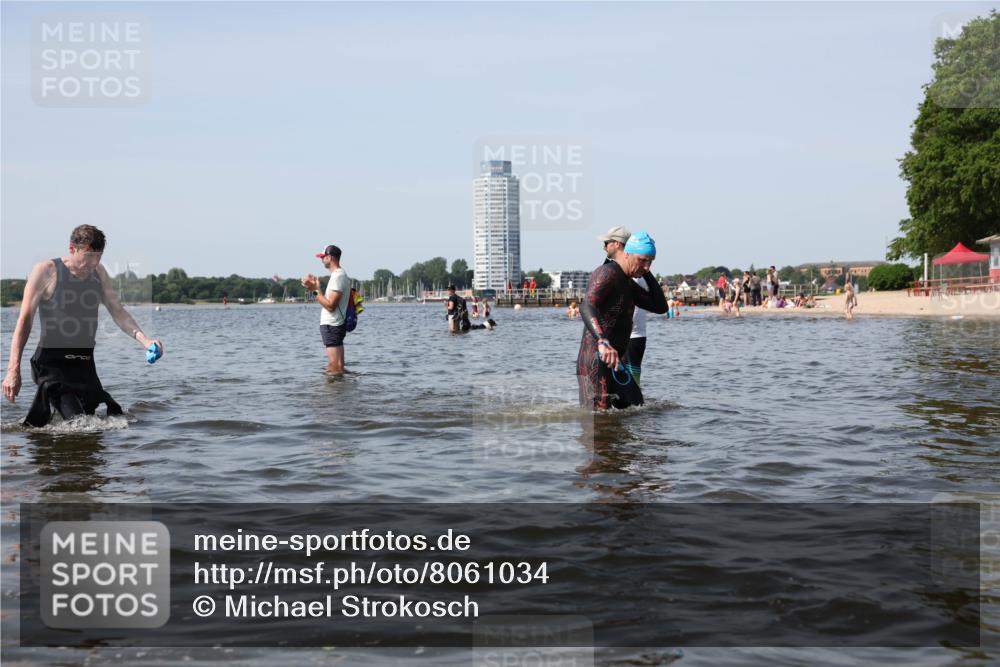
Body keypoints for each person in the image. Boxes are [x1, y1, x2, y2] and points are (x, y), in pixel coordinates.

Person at [3, 225, 164, 427]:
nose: (93, 263)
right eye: (88, 256)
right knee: (80, 424)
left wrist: (146, 340)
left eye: (98, 256)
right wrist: (13, 369)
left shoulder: (98, 272)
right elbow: (24, 321)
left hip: (84, 364)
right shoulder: (46, 271)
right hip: (52, 364)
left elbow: (118, 311)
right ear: (72, 248)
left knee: (111, 416)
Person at [577, 231, 667, 410]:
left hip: (615, 362)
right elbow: (586, 306)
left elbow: (660, 307)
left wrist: (644, 272)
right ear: (626, 253)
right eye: (642, 260)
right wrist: (602, 341)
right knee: (599, 425)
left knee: (637, 408)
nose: (647, 266)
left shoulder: (628, 282)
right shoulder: (607, 273)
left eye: (651, 261)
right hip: (596, 359)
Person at [301, 244, 351, 374]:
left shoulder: (337, 276)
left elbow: (330, 306)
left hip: (332, 325)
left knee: (334, 366)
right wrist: (317, 288)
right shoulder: (340, 275)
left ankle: (333, 393)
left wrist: (314, 291)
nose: (321, 259)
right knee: (338, 366)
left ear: (330, 257)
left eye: (323, 257)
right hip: (336, 324)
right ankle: (341, 392)